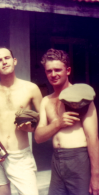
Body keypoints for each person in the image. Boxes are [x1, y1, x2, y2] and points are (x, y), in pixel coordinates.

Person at [35, 48, 99, 195]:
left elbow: (93, 138)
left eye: (58, 70)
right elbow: (38, 137)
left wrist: (96, 176)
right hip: (56, 160)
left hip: (78, 159)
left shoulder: (82, 97)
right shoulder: (46, 101)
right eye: (49, 71)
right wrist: (58, 123)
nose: (53, 74)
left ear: (68, 70)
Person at [0, 47, 42, 195]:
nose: (4, 62)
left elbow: (44, 119)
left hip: (20, 155)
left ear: (14, 61)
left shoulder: (31, 88)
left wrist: (32, 128)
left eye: (7, 58)